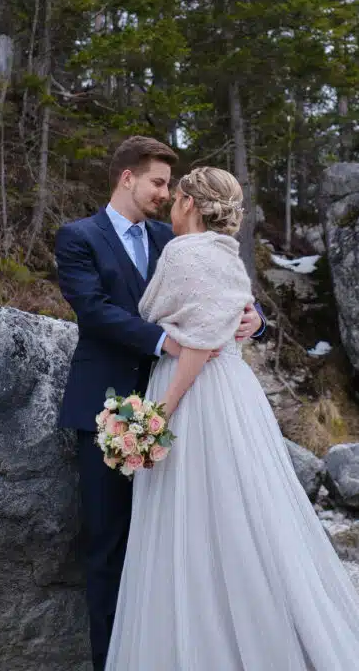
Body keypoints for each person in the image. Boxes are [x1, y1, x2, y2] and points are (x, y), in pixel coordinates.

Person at [105, 166, 359, 671]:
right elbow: (224, 318)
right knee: (245, 512)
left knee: (190, 519)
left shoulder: (183, 252)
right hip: (235, 396)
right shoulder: (224, 254)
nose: (170, 204)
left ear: (191, 204)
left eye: (177, 198)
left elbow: (197, 342)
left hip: (192, 394)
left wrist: (157, 415)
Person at [55, 139, 264, 671]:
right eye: (158, 183)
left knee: (181, 542)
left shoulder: (174, 237)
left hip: (184, 408)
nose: (166, 193)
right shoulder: (79, 237)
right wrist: (168, 344)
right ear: (127, 178)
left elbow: (219, 292)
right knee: (107, 547)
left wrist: (256, 321)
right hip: (105, 408)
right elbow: (94, 310)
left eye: (169, 186)